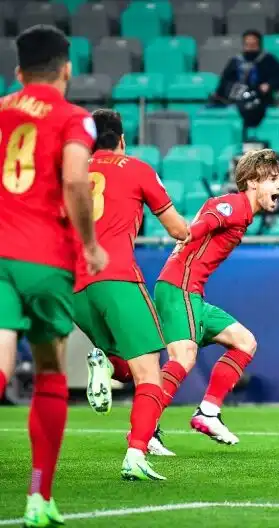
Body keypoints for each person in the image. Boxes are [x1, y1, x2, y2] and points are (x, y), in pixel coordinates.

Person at [0, 25, 107, 527]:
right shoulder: (74, 118)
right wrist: (90, 244)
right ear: (67, 69)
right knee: (49, 371)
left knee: (1, 363)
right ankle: (38, 497)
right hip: (45, 260)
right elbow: (75, 180)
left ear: (18, 72)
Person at [72, 109, 189, 480]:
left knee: (128, 364)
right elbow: (177, 229)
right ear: (121, 139)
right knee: (150, 370)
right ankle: (136, 454)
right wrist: (193, 229)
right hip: (117, 276)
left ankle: (106, 364)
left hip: (73, 287)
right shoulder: (137, 168)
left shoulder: (70, 173)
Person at [156, 148, 279, 444]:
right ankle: (145, 427)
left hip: (189, 291)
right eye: (273, 179)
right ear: (252, 182)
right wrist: (187, 231)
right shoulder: (235, 205)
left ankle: (208, 412)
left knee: (244, 342)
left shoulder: (242, 213)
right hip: (180, 286)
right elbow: (206, 222)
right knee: (183, 357)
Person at [212, 30, 279, 127]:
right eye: (247, 45)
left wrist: (269, 84)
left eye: (253, 45)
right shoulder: (235, 61)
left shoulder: (267, 59)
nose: (250, 48)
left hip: (260, 99)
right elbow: (224, 83)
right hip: (237, 98)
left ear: (259, 46)